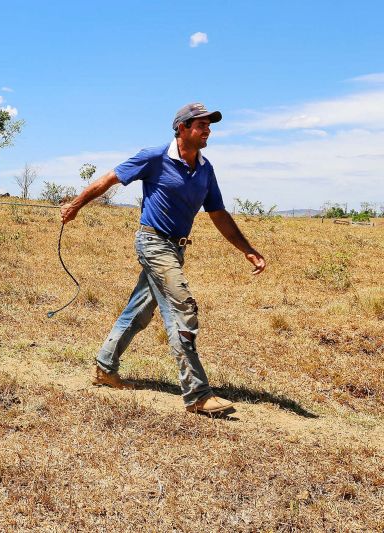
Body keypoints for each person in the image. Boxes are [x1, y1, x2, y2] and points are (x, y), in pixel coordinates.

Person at [60, 103, 266, 415]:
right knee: (181, 307)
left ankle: (105, 366)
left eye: (210, 125)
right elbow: (109, 179)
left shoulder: (205, 169)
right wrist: (76, 205)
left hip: (176, 248)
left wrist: (246, 249)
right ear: (182, 128)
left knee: (140, 310)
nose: (208, 129)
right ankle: (197, 394)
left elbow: (218, 213)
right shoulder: (154, 157)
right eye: (202, 124)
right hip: (153, 242)